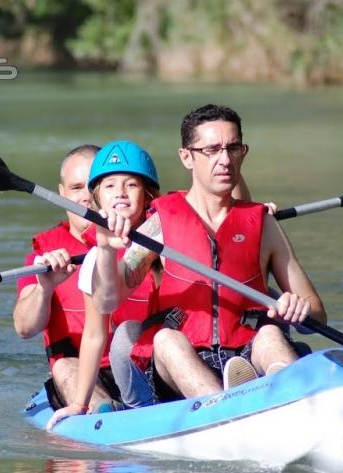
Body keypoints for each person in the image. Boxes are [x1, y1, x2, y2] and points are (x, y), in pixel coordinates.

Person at [91, 104, 327, 399]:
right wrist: (105, 250)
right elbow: (106, 301)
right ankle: (224, 404)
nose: (224, 160)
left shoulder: (264, 223)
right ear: (187, 157)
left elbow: (317, 314)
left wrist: (298, 308)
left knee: (270, 335)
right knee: (166, 339)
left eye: (233, 148)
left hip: (249, 349)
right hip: (184, 358)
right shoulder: (160, 223)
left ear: (244, 152)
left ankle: (287, 394)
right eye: (212, 150)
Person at [46, 141, 162, 428]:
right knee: (124, 336)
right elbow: (95, 334)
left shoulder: (167, 226)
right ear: (96, 198)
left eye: (131, 185)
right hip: (134, 366)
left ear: (147, 195)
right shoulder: (94, 260)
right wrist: (78, 403)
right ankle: (109, 410)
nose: (120, 193)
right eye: (109, 186)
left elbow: (216, 194)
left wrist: (255, 210)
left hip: (175, 353)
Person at [14, 144, 120, 410]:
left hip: (137, 366)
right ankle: (105, 416)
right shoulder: (43, 256)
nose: (85, 197)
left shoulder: (139, 243)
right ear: (61, 194)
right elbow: (24, 328)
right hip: (81, 373)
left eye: (92, 185)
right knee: (63, 365)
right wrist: (45, 289)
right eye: (75, 188)